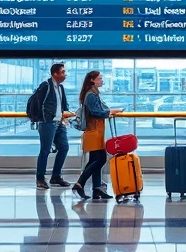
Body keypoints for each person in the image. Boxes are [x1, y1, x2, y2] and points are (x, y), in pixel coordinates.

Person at [72, 70, 123, 200]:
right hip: (93, 132)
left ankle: (97, 189)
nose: (102, 81)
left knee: (95, 160)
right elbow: (96, 112)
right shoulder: (91, 95)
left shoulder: (93, 94)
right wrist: (108, 113)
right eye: (99, 79)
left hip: (96, 132)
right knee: (100, 159)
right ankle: (80, 183)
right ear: (92, 80)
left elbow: (99, 110)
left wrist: (110, 111)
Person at [35, 63, 71, 189]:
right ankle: (40, 178)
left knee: (64, 147)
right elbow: (39, 103)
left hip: (59, 122)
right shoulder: (46, 86)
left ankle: (56, 176)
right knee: (45, 150)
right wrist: (44, 119)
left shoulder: (60, 88)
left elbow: (63, 105)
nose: (65, 74)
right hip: (47, 123)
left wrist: (64, 116)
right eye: (62, 72)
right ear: (55, 74)